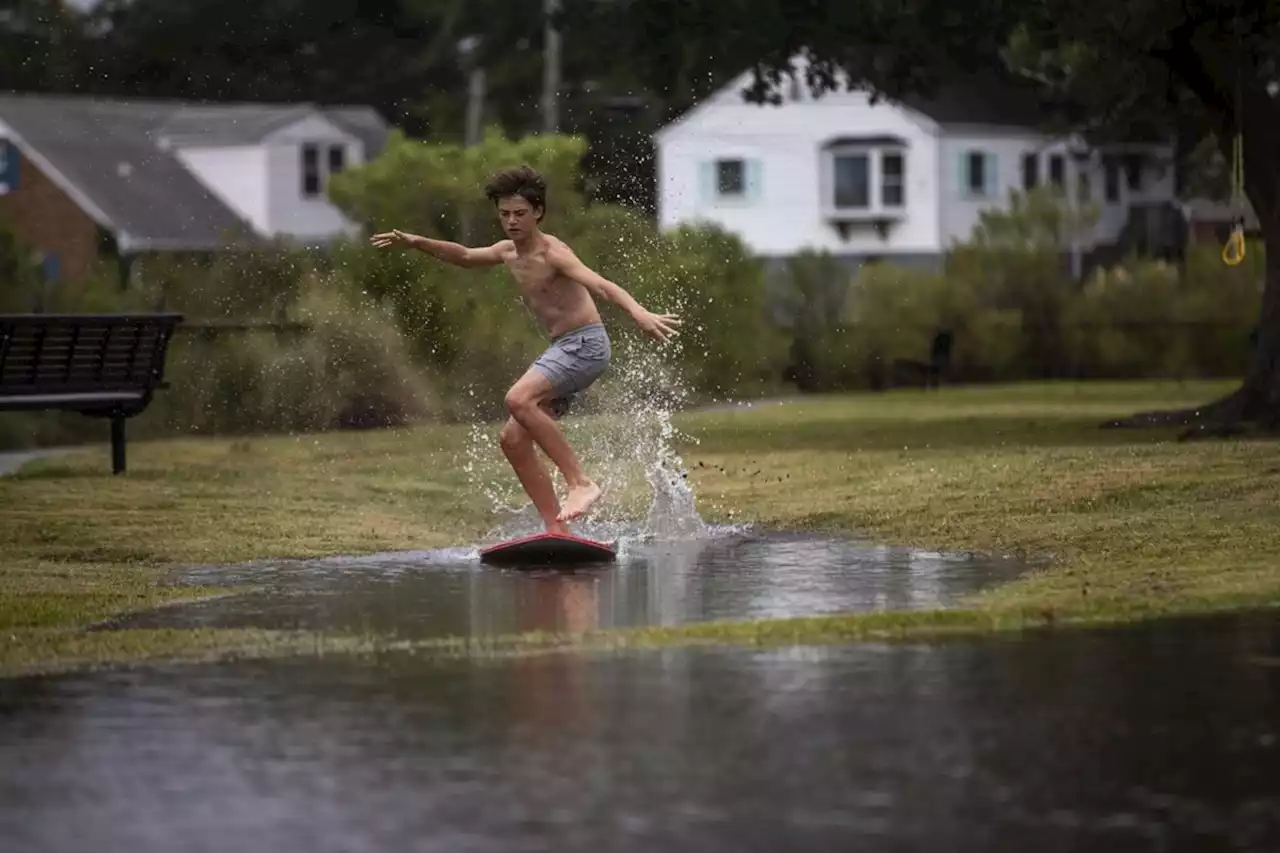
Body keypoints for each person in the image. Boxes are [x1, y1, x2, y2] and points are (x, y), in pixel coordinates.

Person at [371, 165, 681, 532]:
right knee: (513, 439)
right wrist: (416, 242)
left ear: (538, 212)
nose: (512, 221)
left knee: (518, 399)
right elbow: (466, 256)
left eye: (520, 213)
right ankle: (557, 529)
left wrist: (638, 311)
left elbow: (601, 285)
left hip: (586, 345)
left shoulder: (554, 254)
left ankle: (580, 483)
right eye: (504, 214)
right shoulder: (507, 252)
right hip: (564, 348)